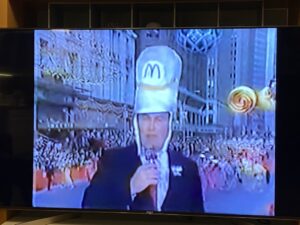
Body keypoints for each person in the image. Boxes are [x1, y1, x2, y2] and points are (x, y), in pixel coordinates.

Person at [81, 46, 204, 213]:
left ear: (170, 123)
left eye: (159, 119)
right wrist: (130, 188)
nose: (151, 127)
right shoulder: (113, 161)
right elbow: (89, 206)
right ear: (136, 122)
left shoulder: (188, 169)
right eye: (145, 118)